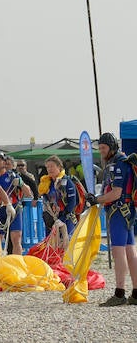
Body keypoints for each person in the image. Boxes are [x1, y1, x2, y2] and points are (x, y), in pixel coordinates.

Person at [89, 131, 137, 306]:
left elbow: (115, 193)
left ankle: (119, 292)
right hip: (128, 211)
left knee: (119, 252)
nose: (101, 151)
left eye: (103, 148)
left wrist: (96, 199)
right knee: (130, 251)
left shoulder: (118, 164)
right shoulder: (123, 162)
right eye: (99, 148)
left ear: (112, 147)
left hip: (119, 211)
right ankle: (136, 292)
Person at [0, 152, 25, 254]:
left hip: (14, 208)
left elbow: (29, 193)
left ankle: (18, 264)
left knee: (16, 239)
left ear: (4, 162)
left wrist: (21, 183)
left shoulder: (12, 175)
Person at [43, 155, 81, 237]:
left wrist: (62, 219)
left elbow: (72, 202)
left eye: (52, 166)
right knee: (51, 245)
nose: (49, 169)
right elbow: (46, 201)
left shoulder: (67, 181)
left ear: (59, 167)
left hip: (66, 219)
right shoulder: (47, 183)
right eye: (47, 167)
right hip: (52, 219)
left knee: (67, 246)